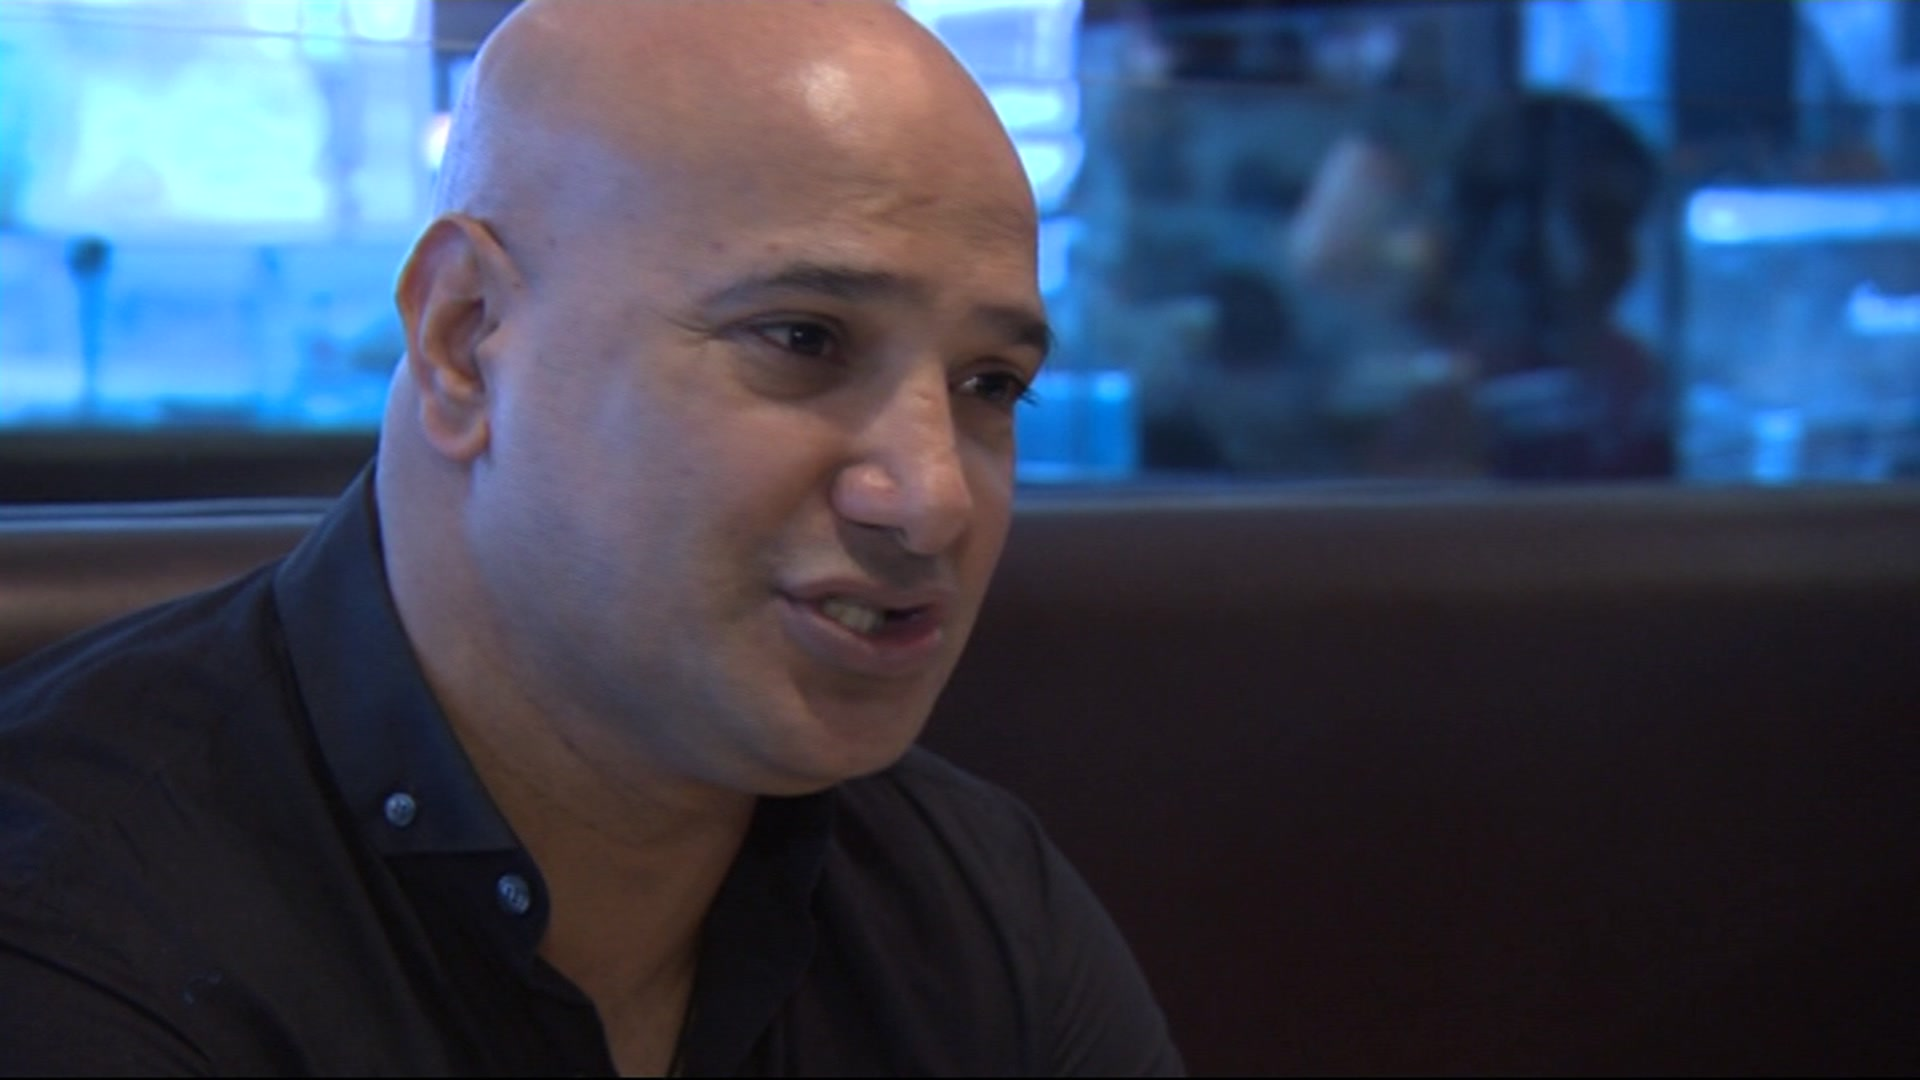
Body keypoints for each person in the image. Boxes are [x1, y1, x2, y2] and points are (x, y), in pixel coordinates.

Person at [0, 2, 1183, 1075]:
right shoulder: (73, 931)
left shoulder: (976, 913)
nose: (932, 497)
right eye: (803, 339)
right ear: (467, 340)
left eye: (989, 383)